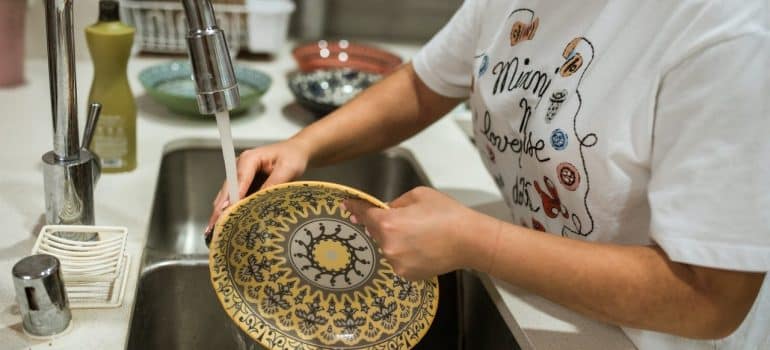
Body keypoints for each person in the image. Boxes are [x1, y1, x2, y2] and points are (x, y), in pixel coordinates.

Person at [205, 1, 770, 348]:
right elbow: (425, 85)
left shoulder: (728, 36)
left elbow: (711, 300)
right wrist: (304, 147)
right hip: (546, 302)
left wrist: (482, 242)